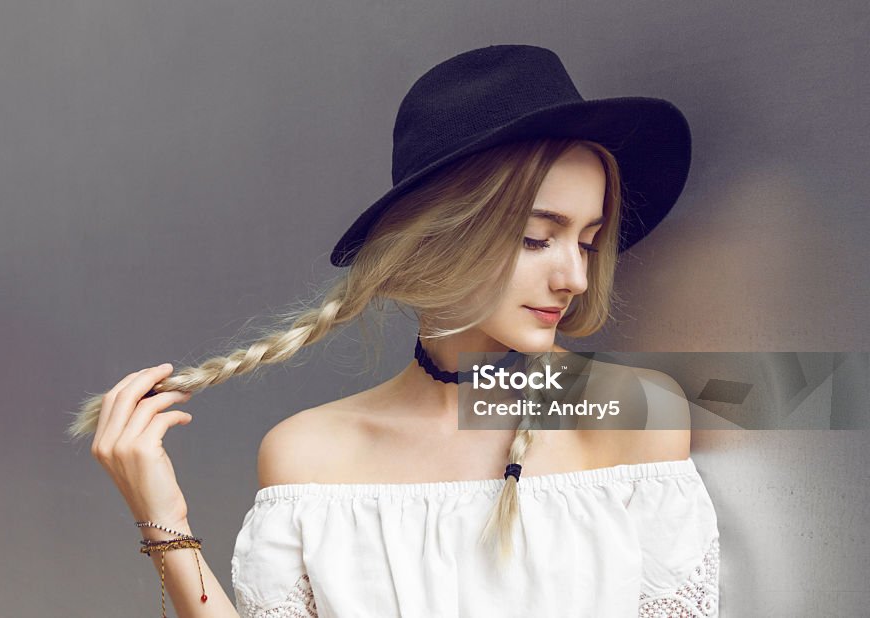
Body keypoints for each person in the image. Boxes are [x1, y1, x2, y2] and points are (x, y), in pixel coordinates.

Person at [68, 45, 720, 617]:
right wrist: (164, 522)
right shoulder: (309, 456)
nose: (574, 277)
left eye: (588, 240)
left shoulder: (636, 419)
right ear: (434, 240)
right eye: (536, 238)